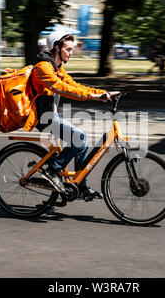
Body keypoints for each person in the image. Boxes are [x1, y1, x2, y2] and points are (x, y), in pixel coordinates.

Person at [29, 30, 120, 201]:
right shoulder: (43, 68)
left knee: (81, 143)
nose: (71, 52)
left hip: (51, 115)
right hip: (43, 118)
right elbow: (62, 88)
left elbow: (75, 86)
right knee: (79, 139)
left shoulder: (57, 67)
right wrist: (93, 97)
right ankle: (51, 170)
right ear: (57, 47)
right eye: (68, 49)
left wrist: (102, 93)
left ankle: (80, 185)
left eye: (72, 49)